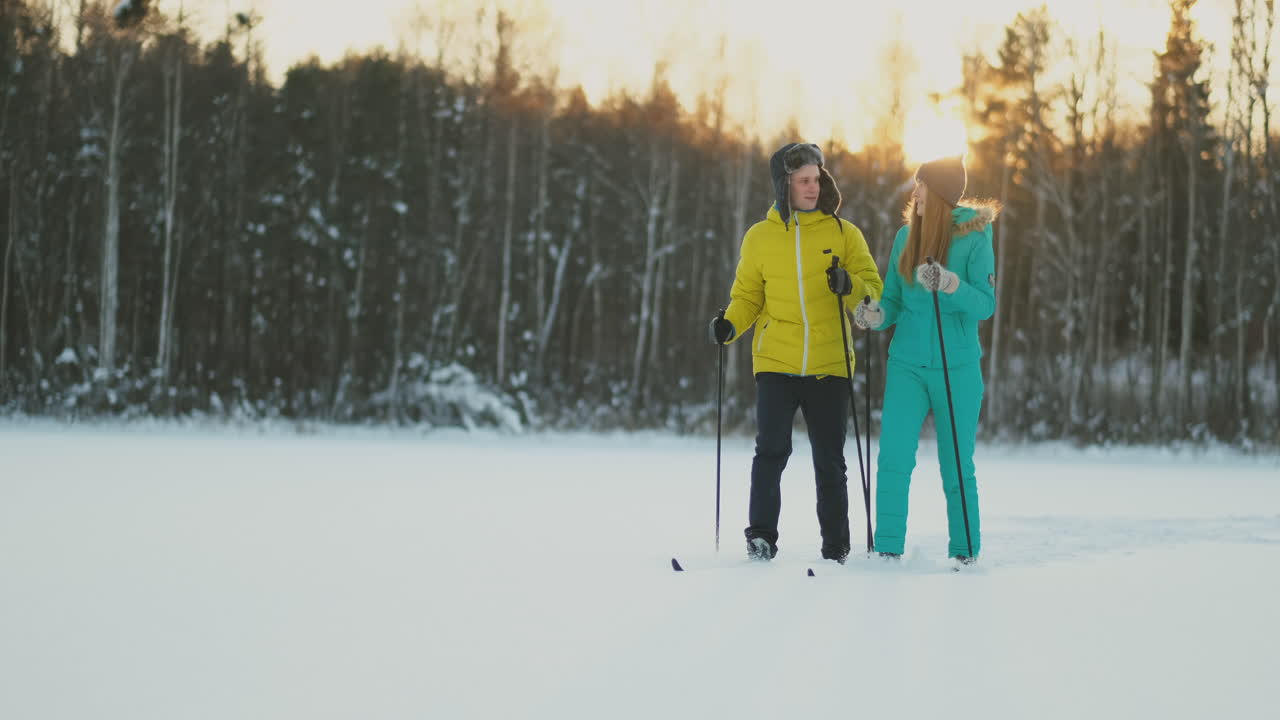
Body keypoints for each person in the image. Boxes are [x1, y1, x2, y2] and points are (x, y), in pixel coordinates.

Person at [709, 142, 883, 563]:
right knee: (771, 450)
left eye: (816, 179)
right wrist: (730, 326)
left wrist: (850, 286)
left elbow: (873, 296)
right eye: (802, 180)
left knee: (830, 459)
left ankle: (836, 548)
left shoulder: (844, 233)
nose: (811, 187)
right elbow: (748, 296)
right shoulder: (760, 237)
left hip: (830, 363)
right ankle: (761, 538)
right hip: (776, 362)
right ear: (782, 184)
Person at [853, 155, 1000, 566]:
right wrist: (874, 316)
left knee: (956, 466)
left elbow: (985, 305)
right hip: (907, 366)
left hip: (958, 370)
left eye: (921, 186)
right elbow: (893, 302)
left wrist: (950, 284)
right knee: (894, 458)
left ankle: (965, 553)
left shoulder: (976, 237)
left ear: (938, 195)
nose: (914, 192)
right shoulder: (906, 238)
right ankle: (887, 549)